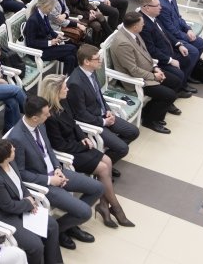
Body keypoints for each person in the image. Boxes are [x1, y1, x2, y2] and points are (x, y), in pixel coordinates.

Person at [7, 96, 104, 250]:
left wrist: (57, 167)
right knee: (85, 212)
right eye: (46, 114)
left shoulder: (40, 125)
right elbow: (21, 173)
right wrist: (49, 180)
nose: (50, 116)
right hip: (43, 182)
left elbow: (49, 150)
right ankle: (57, 231)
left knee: (98, 188)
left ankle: (68, 225)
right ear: (35, 118)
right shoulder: (17, 138)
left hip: (56, 171)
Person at [40, 75, 135, 232]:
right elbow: (60, 145)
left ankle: (104, 205)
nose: (68, 89)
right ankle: (116, 208)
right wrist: (81, 146)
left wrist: (83, 137)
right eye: (64, 87)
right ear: (55, 91)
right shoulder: (49, 116)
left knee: (108, 161)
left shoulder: (64, 102)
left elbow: (74, 123)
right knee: (103, 169)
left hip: (78, 144)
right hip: (70, 152)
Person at [0, 139, 63, 264]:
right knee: (35, 246)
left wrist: (30, 198)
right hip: (5, 215)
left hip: (21, 204)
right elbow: (8, 206)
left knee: (52, 225)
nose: (14, 149)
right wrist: (28, 204)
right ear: (6, 157)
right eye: (12, 150)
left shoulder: (9, 161)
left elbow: (19, 184)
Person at [108, 12, 182, 134]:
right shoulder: (123, 43)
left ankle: (149, 111)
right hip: (134, 80)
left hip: (147, 70)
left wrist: (155, 67)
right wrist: (154, 76)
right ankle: (150, 121)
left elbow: (145, 53)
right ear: (135, 26)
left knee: (176, 81)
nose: (144, 25)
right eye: (142, 23)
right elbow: (133, 70)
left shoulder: (134, 33)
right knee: (169, 95)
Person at [67, 43, 140, 162]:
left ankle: (108, 156)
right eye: (97, 59)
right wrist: (104, 122)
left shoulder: (91, 71)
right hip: (93, 122)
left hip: (103, 114)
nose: (101, 60)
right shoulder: (75, 83)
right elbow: (81, 114)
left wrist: (108, 110)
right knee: (123, 149)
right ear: (87, 62)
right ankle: (105, 163)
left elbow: (98, 96)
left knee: (134, 132)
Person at [139, 0, 198, 95]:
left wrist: (178, 44)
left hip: (168, 50)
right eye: (157, 5)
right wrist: (170, 60)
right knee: (178, 74)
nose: (160, 7)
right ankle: (176, 91)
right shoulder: (143, 24)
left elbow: (165, 33)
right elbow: (151, 50)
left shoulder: (153, 17)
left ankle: (182, 84)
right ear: (147, 8)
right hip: (159, 58)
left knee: (187, 59)